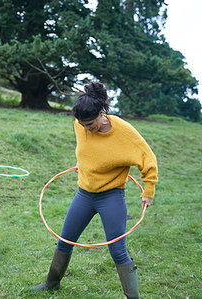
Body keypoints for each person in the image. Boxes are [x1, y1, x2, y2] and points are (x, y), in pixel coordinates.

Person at [31, 82, 158, 298]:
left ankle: (133, 297)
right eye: (83, 125)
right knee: (65, 240)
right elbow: (90, 153)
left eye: (91, 124)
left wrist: (148, 190)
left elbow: (148, 159)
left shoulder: (125, 133)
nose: (87, 129)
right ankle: (52, 283)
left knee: (117, 249)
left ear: (101, 113)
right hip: (84, 195)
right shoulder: (80, 124)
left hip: (111, 196)